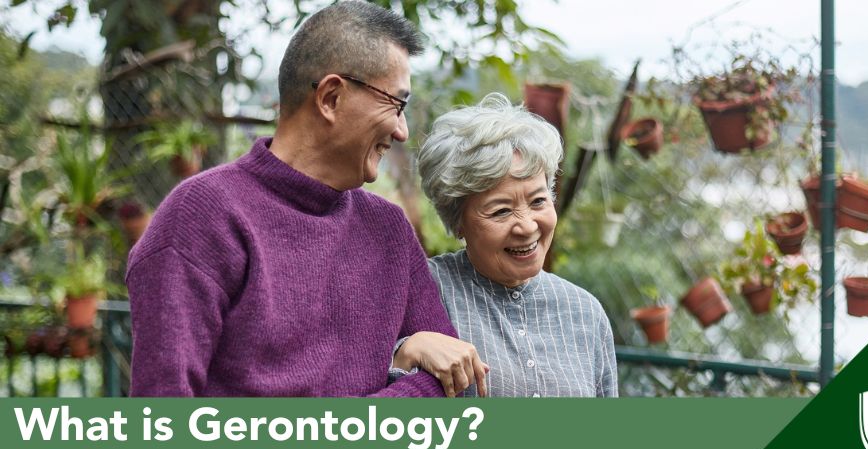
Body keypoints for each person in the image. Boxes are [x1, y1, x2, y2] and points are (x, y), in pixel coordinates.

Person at [126, 1, 486, 397]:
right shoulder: (202, 216)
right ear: (331, 97)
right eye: (396, 104)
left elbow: (450, 378)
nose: (401, 130)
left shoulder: (388, 229)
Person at [413, 93, 619, 397]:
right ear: (458, 220)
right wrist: (406, 351)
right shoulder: (424, 290)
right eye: (501, 211)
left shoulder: (585, 312)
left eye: (538, 201)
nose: (527, 226)